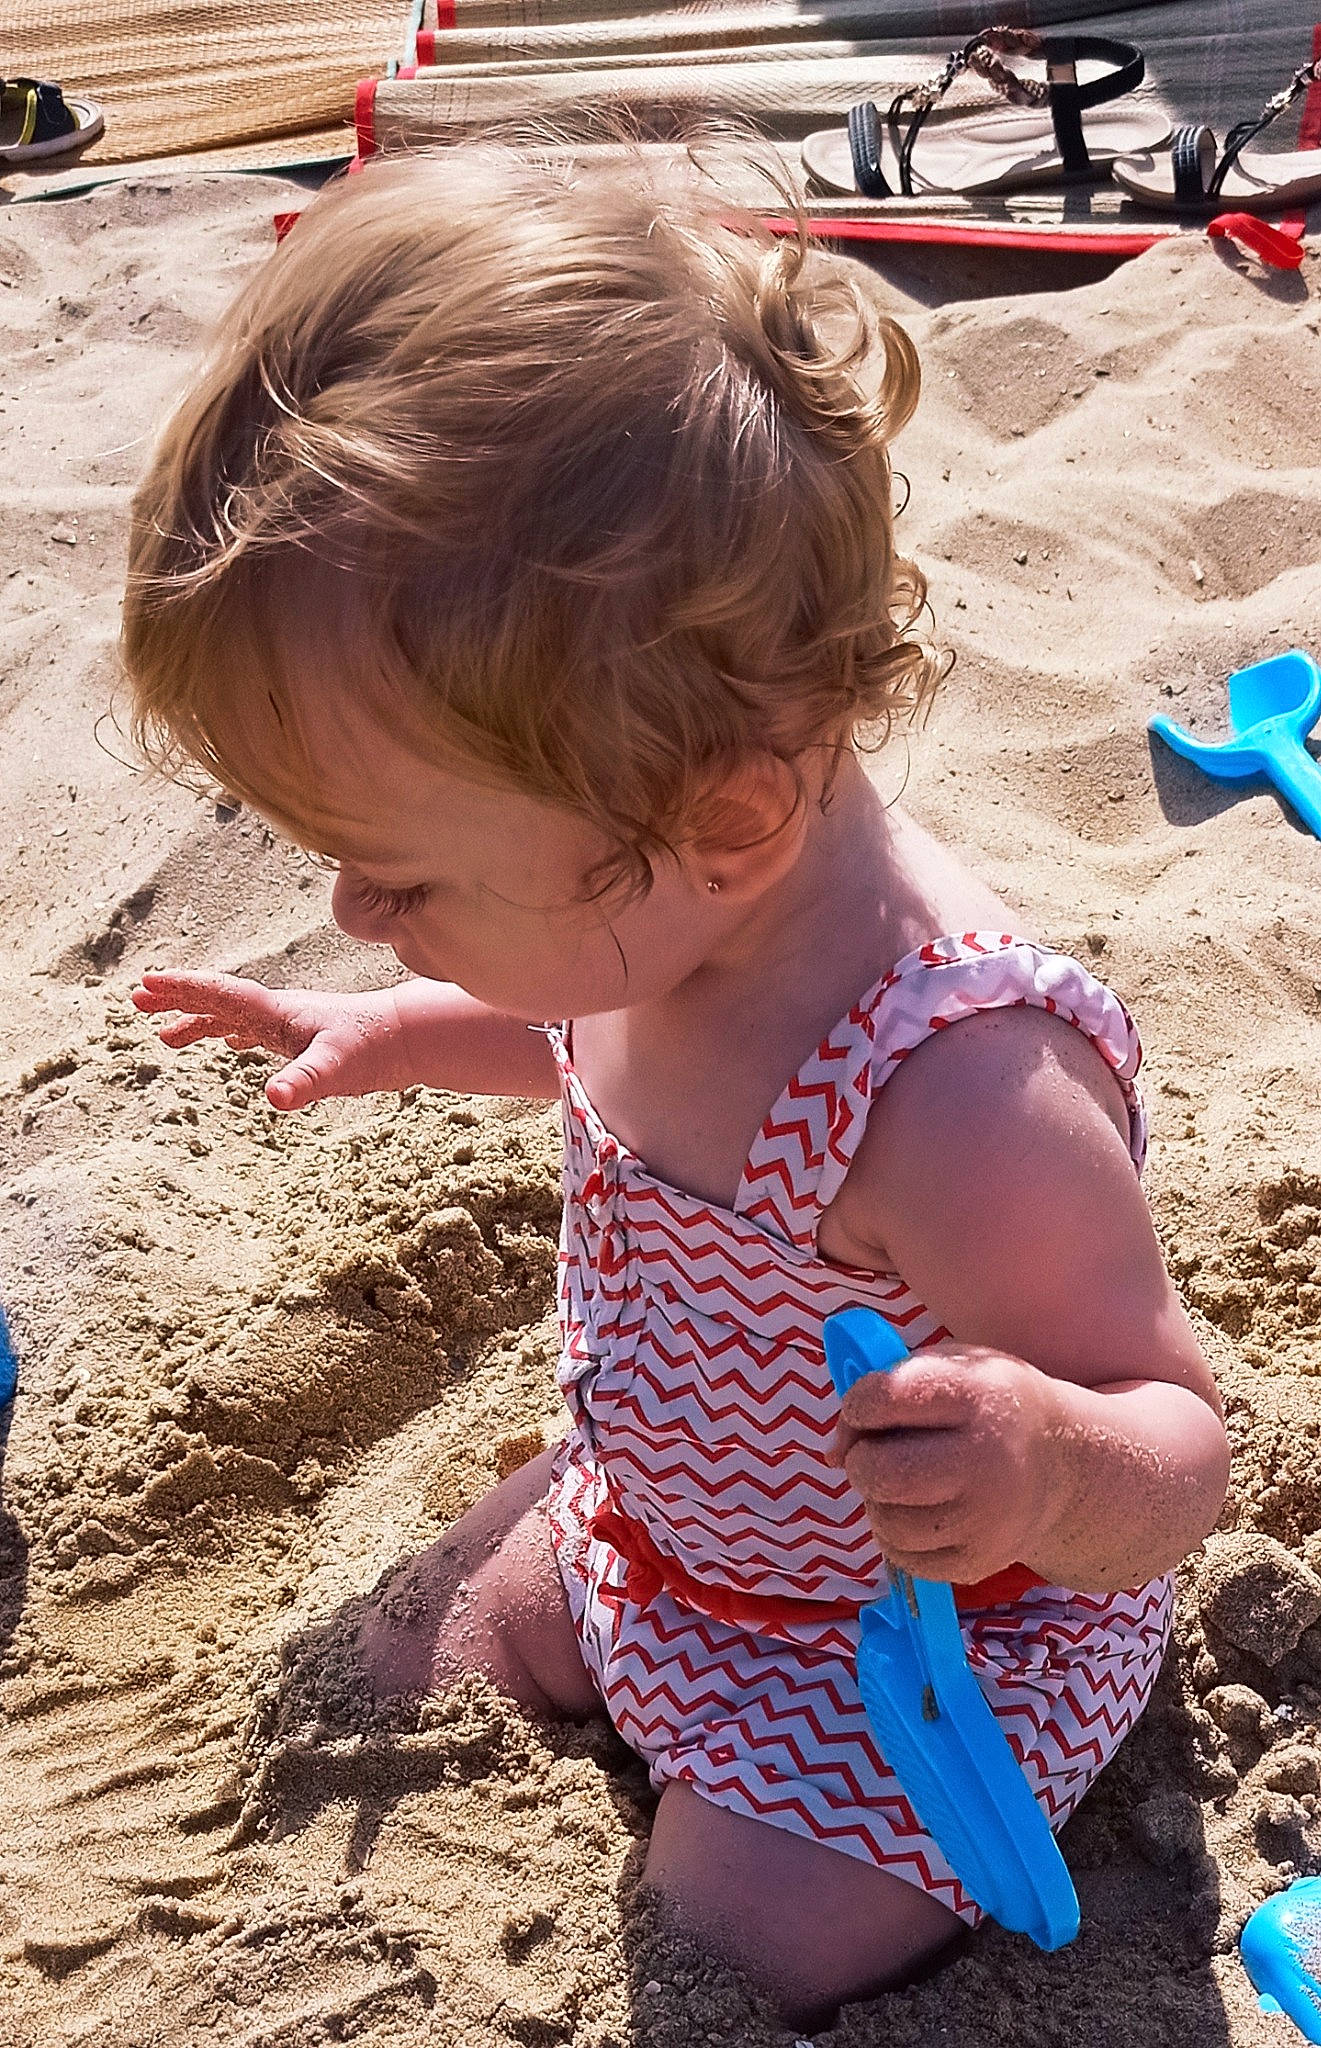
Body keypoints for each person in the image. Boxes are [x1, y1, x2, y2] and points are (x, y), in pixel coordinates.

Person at [121, 141, 1228, 2030]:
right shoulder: (662, 911)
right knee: (408, 1664)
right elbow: (587, 1035)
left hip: (920, 1624)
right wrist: (404, 1026)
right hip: (666, 1514)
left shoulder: (955, 1091)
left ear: (713, 824)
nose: (345, 904)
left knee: (725, 1935)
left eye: (404, 875)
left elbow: (1180, 1443)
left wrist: (1046, 1455)